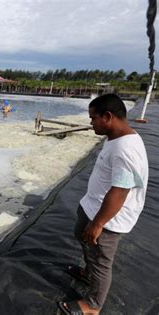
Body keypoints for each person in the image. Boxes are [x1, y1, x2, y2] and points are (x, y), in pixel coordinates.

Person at [58, 94, 149, 314]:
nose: (90, 123)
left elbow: (120, 190)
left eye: (93, 118)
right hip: (93, 207)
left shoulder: (125, 149)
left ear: (107, 116)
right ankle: (88, 274)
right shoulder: (115, 138)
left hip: (108, 219)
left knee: (101, 261)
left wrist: (98, 223)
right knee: (83, 238)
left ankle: (92, 305)